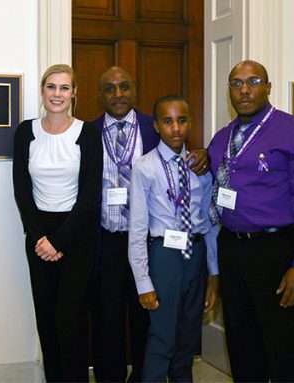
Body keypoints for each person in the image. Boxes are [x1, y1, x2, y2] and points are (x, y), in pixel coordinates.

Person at [208, 60, 294, 382]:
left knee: (282, 349)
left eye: (253, 81)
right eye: (236, 83)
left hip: (276, 253)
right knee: (242, 345)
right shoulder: (220, 139)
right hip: (232, 249)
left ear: (269, 87)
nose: (244, 90)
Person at [89, 66, 208, 382]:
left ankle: (144, 376)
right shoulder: (88, 132)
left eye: (124, 87)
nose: (118, 94)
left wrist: (205, 155)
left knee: (151, 320)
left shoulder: (152, 126)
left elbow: (192, 171)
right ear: (99, 94)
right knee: (108, 320)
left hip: (154, 243)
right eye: (110, 88)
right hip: (108, 240)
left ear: (134, 91)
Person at [12, 64, 102, 382]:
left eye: (65, 88)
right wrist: (40, 238)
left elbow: (90, 196)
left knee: (72, 321)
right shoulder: (26, 132)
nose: (57, 94)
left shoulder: (88, 133)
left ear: (74, 93)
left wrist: (59, 242)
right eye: (51, 87)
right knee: (47, 321)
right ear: (42, 91)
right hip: (38, 236)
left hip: (76, 236)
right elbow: (22, 191)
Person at [128, 95, 219, 382]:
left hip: (196, 256)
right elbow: (138, 228)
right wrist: (143, 281)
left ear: (190, 123)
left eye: (182, 120)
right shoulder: (144, 167)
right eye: (168, 121)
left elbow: (210, 224)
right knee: (162, 338)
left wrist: (214, 273)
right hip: (164, 256)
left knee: (188, 339)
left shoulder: (200, 168)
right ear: (156, 126)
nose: (176, 128)